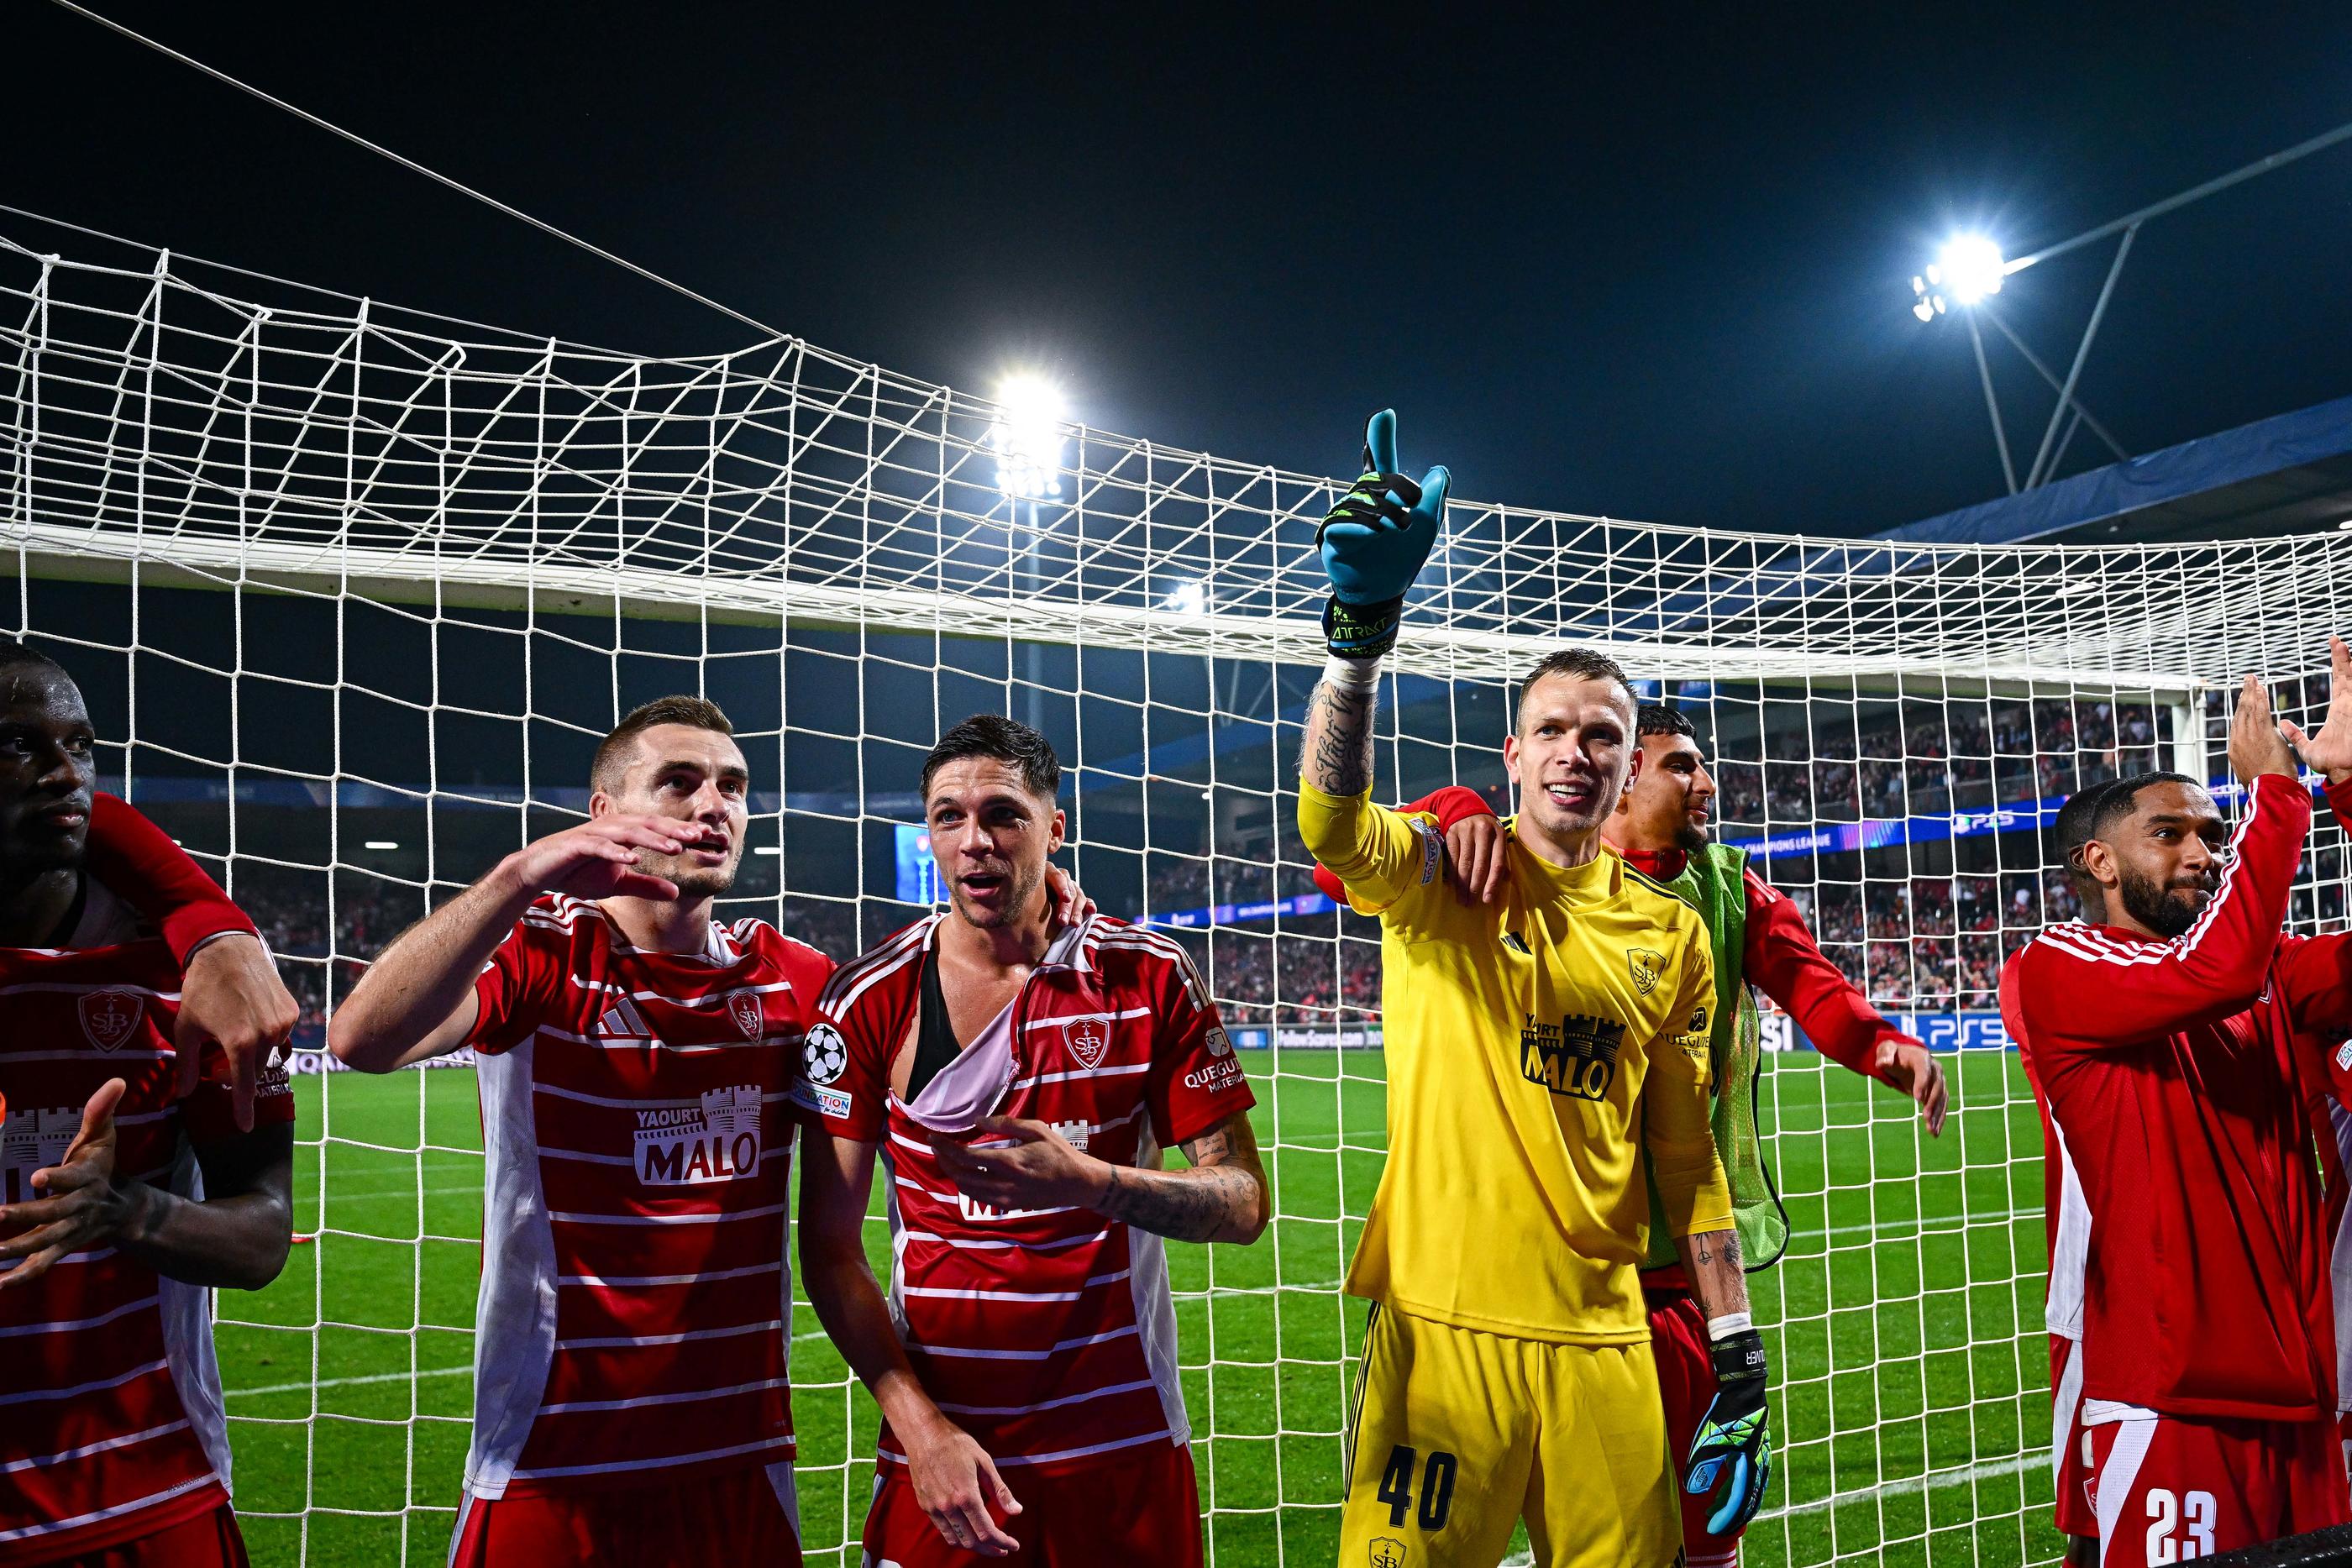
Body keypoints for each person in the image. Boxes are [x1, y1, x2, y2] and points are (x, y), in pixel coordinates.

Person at [1311, 701, 1945, 1567]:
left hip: (1665, 1270)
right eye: (1682, 765)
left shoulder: (1718, 894)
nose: (1706, 784)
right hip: (1506, 1285)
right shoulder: (1506, 860)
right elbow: (1340, 852)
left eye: (1698, 764)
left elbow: (1808, 980)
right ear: (1623, 782)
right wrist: (1449, 805)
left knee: (1706, 1528)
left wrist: (1880, 1043)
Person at [1295, 412, 1768, 1567]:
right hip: (1444, 1333)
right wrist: (1358, 640)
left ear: (1625, 761)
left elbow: (1688, 1157)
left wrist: (1739, 1343)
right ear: (1512, 755)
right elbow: (1330, 820)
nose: (1575, 748)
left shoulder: (1672, 933)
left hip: (1606, 1337)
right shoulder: (1443, 872)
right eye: (1550, 727)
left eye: (1602, 732)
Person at [328, 695, 829, 1566]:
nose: (714, 805)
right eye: (679, 782)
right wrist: (520, 875)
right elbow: (360, 1040)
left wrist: (1030, 921)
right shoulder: (540, 956)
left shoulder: (791, 978)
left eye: (733, 785)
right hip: (551, 1463)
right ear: (605, 814)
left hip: (737, 1458)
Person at [795, 713, 1268, 1566]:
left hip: (1120, 1435)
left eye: (1003, 814)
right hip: (945, 1449)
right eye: (948, 816)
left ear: (1054, 826)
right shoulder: (867, 995)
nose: (974, 840)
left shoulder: (1149, 976)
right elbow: (829, 1248)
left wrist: (1091, 1181)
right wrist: (921, 1426)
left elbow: (1241, 1203)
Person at [2002, 652, 2352, 1565]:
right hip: (2172, 1401)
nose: (2202, 850)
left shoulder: (2266, 968)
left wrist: (2349, 793)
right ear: (2099, 862)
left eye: (2209, 829)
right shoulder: (2056, 967)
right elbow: (2214, 972)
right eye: (2169, 832)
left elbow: (2240, 963)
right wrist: (2277, 801)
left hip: (2303, 1400)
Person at [0, 642, 300, 1567]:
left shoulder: (189, 986)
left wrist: (125, 1210)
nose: (65, 772)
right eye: (20, 744)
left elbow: (262, 1235)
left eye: (83, 744)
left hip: (143, 1491)